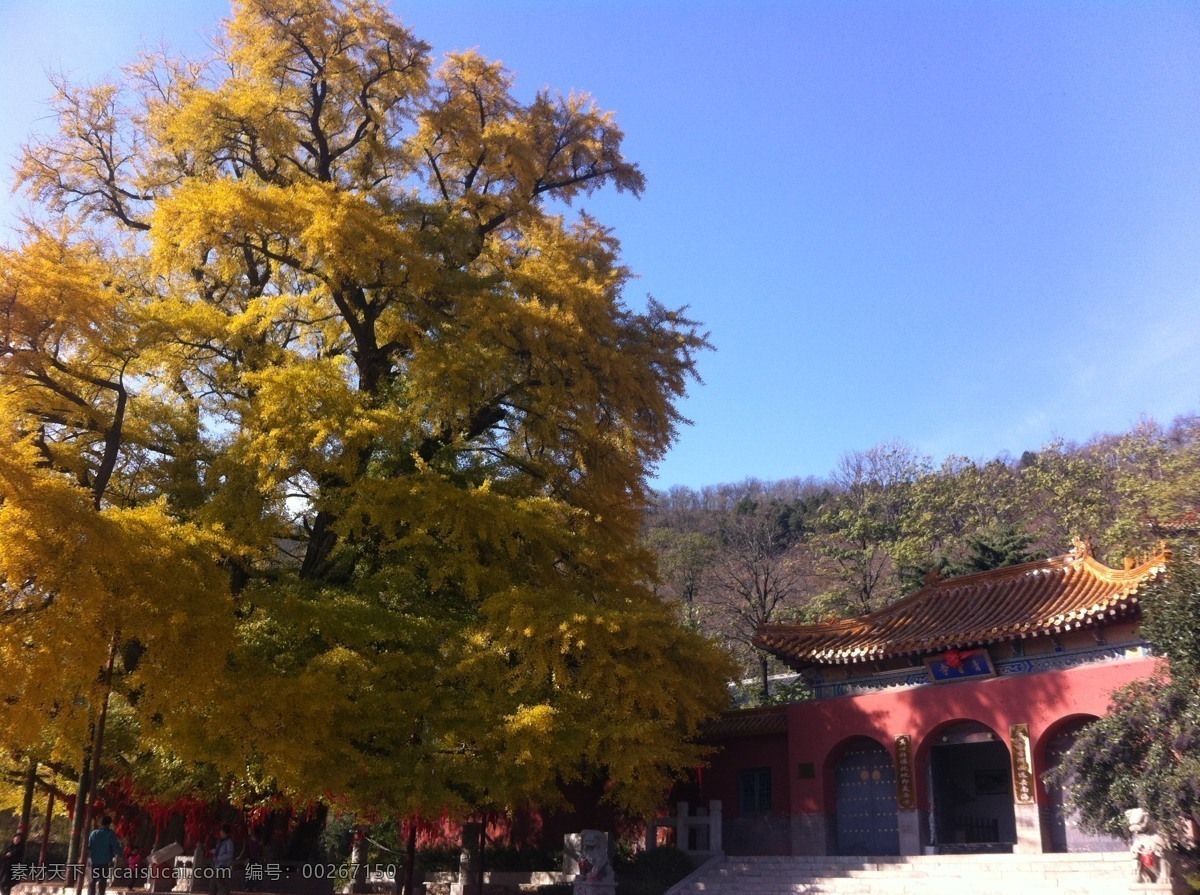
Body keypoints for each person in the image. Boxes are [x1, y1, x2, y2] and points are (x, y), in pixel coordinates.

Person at [87, 817, 122, 895]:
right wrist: (121, 854)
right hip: (105, 861)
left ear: (101, 823)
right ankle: (101, 893)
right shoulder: (110, 834)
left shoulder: (94, 833)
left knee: (93, 880)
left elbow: (89, 846)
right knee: (103, 880)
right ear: (109, 824)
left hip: (94, 861)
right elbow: (115, 846)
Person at [210, 825, 234, 895]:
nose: (220, 833)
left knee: (222, 887)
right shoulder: (221, 842)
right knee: (213, 886)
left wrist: (219, 858)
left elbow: (229, 855)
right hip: (217, 866)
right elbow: (219, 851)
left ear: (224, 832)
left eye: (221, 831)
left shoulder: (229, 842)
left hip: (223, 867)